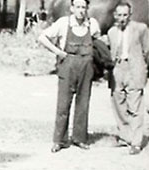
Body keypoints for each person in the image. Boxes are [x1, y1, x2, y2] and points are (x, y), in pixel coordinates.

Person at [38, 0, 101, 153]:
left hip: (86, 67)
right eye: (78, 7)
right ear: (72, 8)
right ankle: (59, 140)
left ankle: (80, 138)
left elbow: (97, 41)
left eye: (83, 7)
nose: (81, 10)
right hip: (67, 66)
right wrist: (58, 52)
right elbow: (42, 38)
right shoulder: (63, 23)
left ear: (87, 9)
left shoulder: (92, 24)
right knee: (63, 104)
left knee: (83, 103)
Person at [101, 0, 149, 155]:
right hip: (117, 71)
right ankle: (124, 136)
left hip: (134, 69)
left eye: (125, 15)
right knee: (119, 104)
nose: (122, 18)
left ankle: (136, 142)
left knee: (135, 107)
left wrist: (146, 71)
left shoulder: (141, 29)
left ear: (130, 15)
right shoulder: (111, 32)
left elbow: (147, 51)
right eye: (119, 15)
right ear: (115, 15)